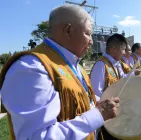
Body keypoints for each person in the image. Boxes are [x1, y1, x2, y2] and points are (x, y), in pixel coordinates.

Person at [0, 4, 120, 140]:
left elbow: (81, 100)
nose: (91, 41)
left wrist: (99, 102)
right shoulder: (32, 68)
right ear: (68, 30)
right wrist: (98, 115)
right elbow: (37, 136)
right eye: (87, 33)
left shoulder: (76, 66)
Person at [90, 33, 139, 139]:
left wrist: (134, 74)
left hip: (117, 112)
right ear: (114, 49)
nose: (125, 53)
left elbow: (123, 79)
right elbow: (95, 94)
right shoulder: (101, 65)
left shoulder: (117, 64)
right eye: (123, 49)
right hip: (106, 117)